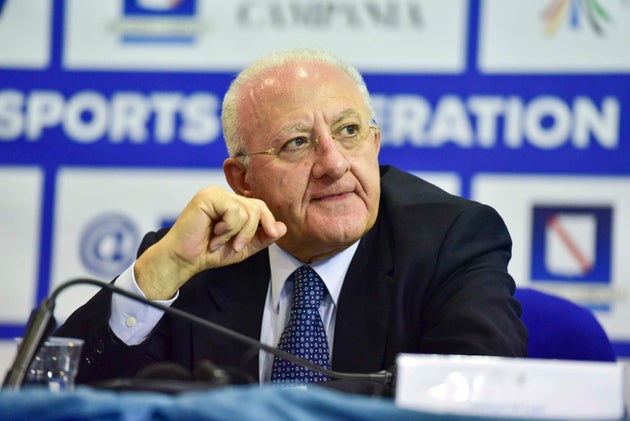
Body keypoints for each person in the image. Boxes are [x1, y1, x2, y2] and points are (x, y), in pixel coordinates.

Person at [56, 48, 527, 391]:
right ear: (242, 179)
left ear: (375, 144)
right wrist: (157, 274)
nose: (335, 164)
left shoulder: (452, 239)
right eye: (297, 143)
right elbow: (51, 392)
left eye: (348, 132)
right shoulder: (202, 255)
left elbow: (480, 390)